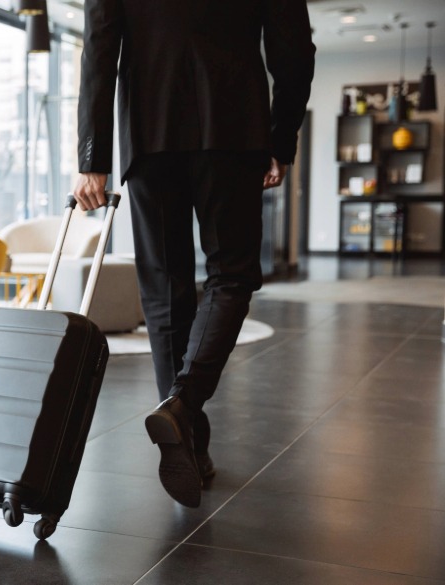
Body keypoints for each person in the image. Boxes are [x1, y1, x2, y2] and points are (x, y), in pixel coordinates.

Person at [74, 0, 315, 508]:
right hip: (234, 129)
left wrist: (92, 158)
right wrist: (282, 138)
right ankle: (182, 406)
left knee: (164, 288)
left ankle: (189, 439)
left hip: (148, 130)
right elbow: (294, 51)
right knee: (233, 275)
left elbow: (100, 46)